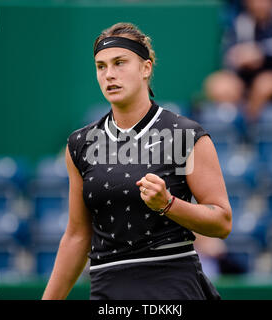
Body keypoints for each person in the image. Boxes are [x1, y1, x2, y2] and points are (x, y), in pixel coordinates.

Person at [42, 22, 232, 300]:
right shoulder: (79, 144)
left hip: (173, 290)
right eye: (101, 66)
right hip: (108, 291)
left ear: (146, 68)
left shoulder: (186, 135)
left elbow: (222, 222)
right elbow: (76, 237)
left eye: (120, 63)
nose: (109, 75)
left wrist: (168, 204)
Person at [203, 0, 272, 121]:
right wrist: (240, 56)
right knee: (217, 84)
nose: (260, 4)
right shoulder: (241, 21)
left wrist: (260, 53)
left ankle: (250, 127)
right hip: (244, 76)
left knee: (264, 84)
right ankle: (234, 125)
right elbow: (229, 53)